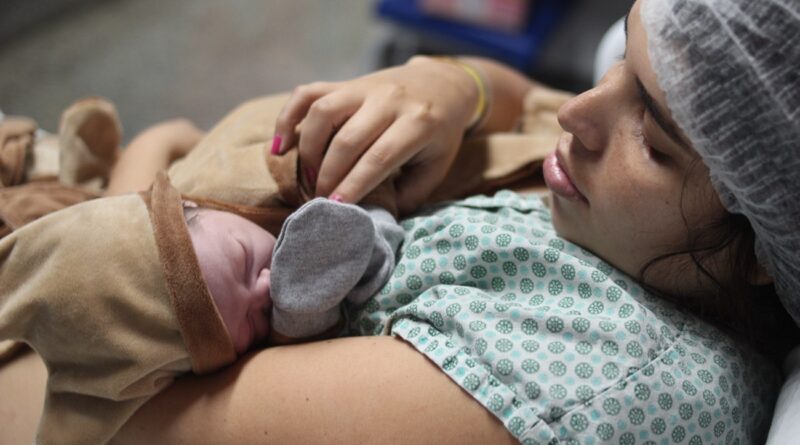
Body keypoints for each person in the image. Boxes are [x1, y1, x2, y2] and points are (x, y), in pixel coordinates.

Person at [2, 0, 798, 443]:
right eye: (619, 59)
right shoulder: (648, 229)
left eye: (653, 139)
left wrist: (140, 185)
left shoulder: (587, 380)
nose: (582, 113)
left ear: (766, 245)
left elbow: (96, 418)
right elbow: (536, 101)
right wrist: (456, 86)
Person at [0, 108, 402, 444]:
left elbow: (167, 136)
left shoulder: (222, 183)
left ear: (191, 203)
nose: (266, 288)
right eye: (251, 321)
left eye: (244, 259)